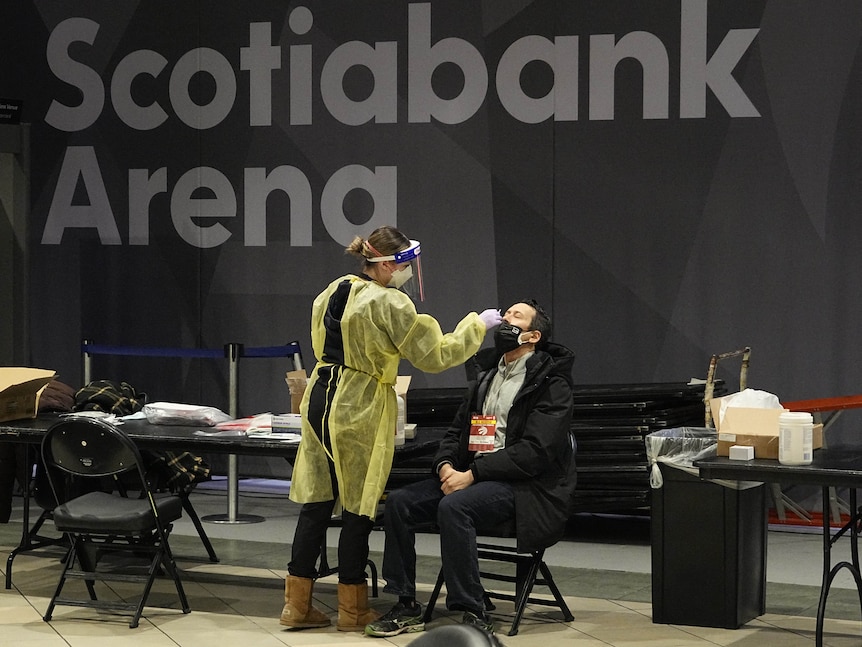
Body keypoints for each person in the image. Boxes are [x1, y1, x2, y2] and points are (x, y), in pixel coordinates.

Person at [281, 225, 503, 632]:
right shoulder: (390, 304)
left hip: (320, 392)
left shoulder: (333, 289)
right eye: (405, 265)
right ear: (386, 264)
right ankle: (352, 609)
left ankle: (296, 606)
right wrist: (477, 326)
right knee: (358, 504)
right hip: (359, 401)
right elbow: (434, 354)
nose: (408, 272)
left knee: (316, 499)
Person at [365, 300, 576, 637]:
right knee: (400, 502)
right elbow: (456, 432)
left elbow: (536, 452)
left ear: (533, 336)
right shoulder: (487, 377)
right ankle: (405, 603)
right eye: (505, 315)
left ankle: (472, 609)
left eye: (515, 317)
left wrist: (473, 475)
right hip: (473, 475)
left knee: (454, 507)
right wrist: (446, 465)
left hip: (526, 486)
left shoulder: (552, 384)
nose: (505, 321)